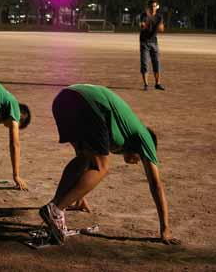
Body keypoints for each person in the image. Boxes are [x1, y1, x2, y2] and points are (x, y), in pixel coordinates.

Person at [39, 84, 181, 245]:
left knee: (83, 158)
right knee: (102, 168)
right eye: (140, 159)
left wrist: (79, 196)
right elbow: (156, 184)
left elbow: (82, 161)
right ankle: (56, 209)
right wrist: (165, 229)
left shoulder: (124, 131)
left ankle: (57, 206)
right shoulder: (145, 137)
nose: (136, 163)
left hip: (63, 99)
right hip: (88, 102)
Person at [139, 0, 165, 91]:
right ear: (148, 7)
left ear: (156, 7)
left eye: (154, 6)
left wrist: (159, 26)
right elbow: (142, 26)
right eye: (151, 6)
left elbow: (162, 29)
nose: (153, 8)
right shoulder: (144, 15)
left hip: (154, 42)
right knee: (145, 63)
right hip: (144, 42)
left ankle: (157, 83)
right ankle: (146, 84)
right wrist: (144, 24)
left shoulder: (159, 17)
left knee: (156, 63)